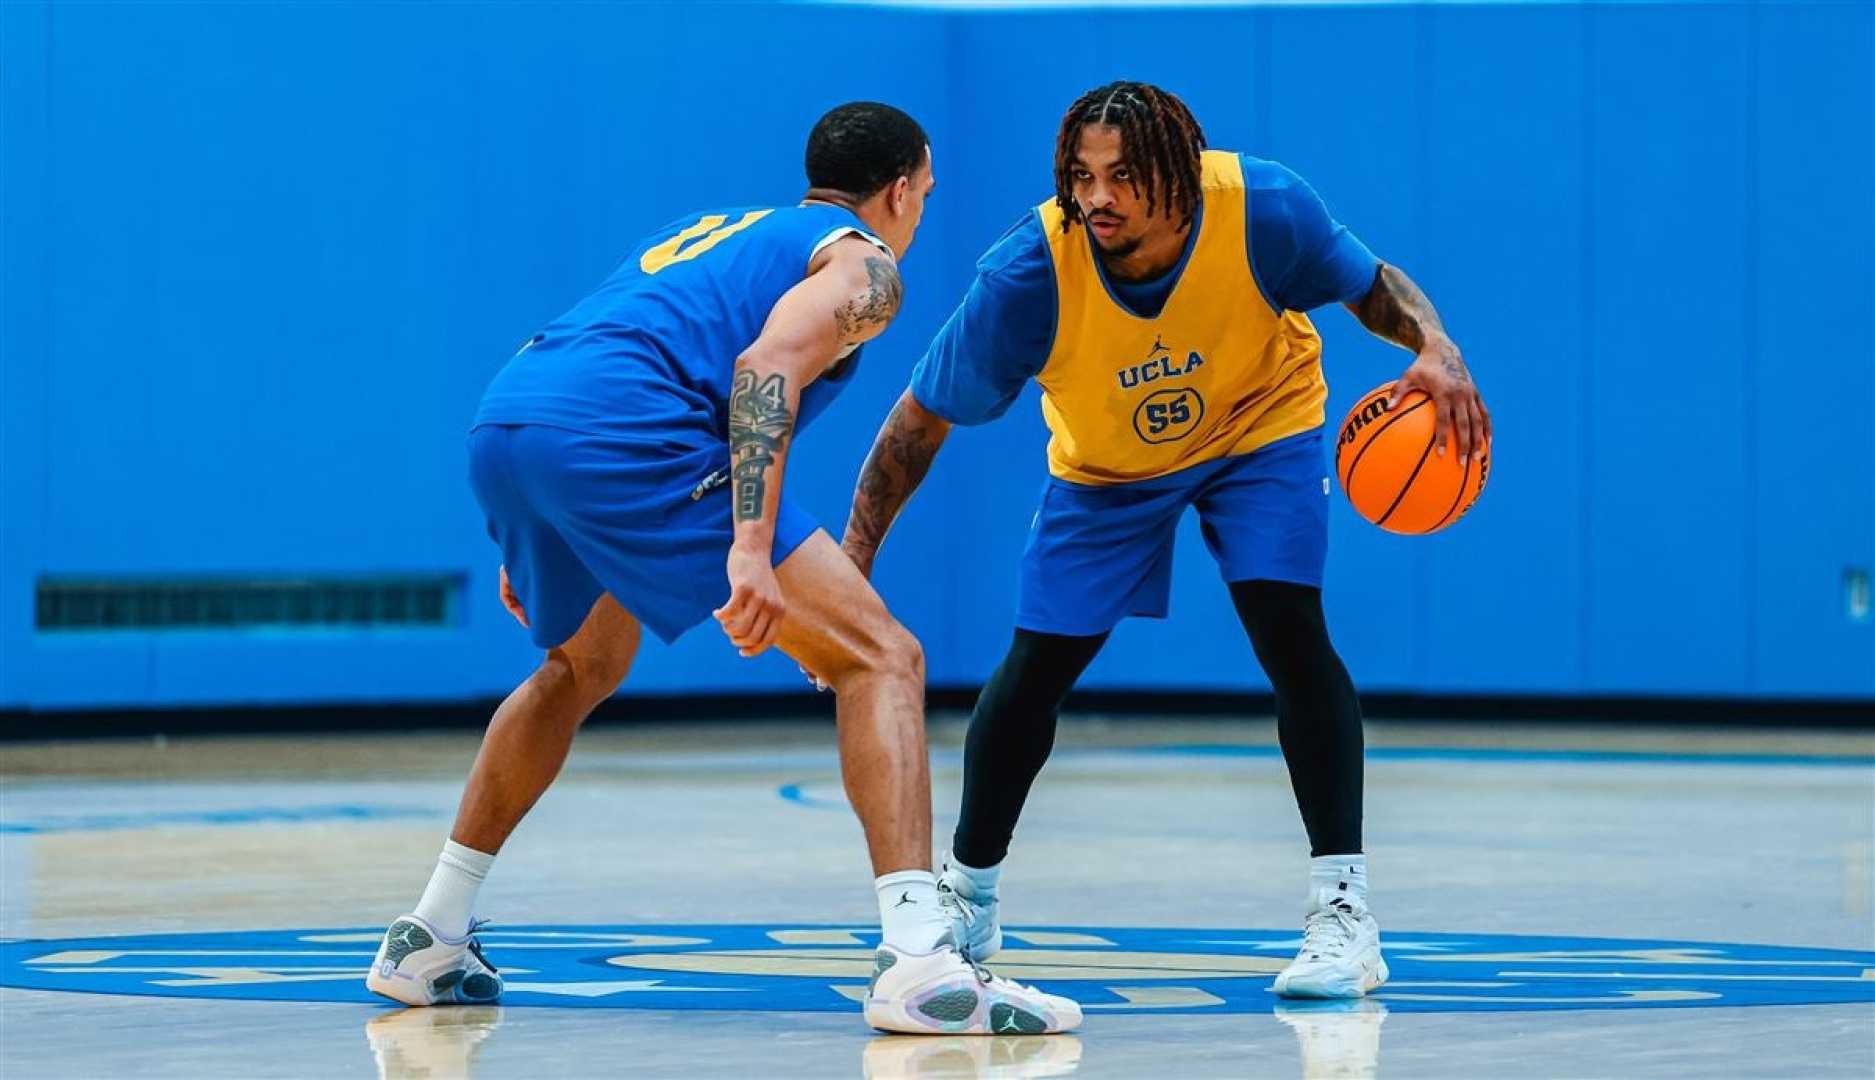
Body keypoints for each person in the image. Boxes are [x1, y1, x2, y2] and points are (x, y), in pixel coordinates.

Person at [366, 101, 1080, 1036]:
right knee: (883, 659)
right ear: (903, 190)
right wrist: (751, 545)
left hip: (514, 421)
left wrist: (537, 524)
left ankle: (429, 935)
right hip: (626, 434)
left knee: (581, 665)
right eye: (927, 192)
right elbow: (763, 370)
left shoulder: (715, 229)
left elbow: (597, 340)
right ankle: (920, 964)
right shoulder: (866, 266)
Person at [839, 81, 1490, 999]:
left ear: (1178, 176)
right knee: (1035, 668)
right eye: (1080, 177)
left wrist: (1434, 344)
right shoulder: (1030, 272)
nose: (1096, 197)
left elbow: (1369, 283)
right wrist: (853, 560)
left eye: (1122, 176)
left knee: (1290, 633)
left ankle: (1343, 915)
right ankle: (969, 895)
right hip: (1107, 468)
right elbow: (919, 421)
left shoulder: (1263, 208)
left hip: (1258, 427)